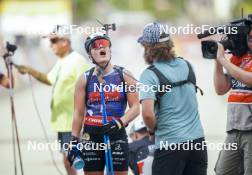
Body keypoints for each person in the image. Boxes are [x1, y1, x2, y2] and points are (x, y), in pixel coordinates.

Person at [15, 27, 89, 175]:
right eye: (51, 42)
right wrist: (30, 70)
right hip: (62, 122)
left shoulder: (78, 61)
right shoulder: (63, 61)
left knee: (77, 159)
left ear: (65, 42)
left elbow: (89, 88)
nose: (51, 45)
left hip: (73, 121)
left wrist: (85, 121)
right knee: (67, 159)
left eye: (54, 41)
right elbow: (49, 79)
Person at [138, 22, 208, 175]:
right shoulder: (187, 65)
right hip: (197, 143)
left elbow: (148, 114)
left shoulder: (149, 75)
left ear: (148, 48)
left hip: (170, 145)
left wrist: (151, 131)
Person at [68, 32, 140, 175]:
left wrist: (119, 123)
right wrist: (74, 140)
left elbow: (136, 107)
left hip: (116, 133)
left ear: (110, 50)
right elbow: (78, 113)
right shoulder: (84, 79)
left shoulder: (125, 75)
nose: (101, 46)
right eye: (95, 45)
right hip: (91, 136)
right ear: (90, 55)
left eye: (105, 43)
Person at [214, 12, 252, 175]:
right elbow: (220, 89)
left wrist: (223, 60)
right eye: (250, 29)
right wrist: (217, 62)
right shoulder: (239, 58)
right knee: (222, 172)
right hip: (233, 131)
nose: (251, 33)